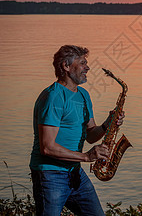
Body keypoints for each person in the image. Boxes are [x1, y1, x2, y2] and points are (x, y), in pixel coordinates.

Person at [29, 45, 125, 216]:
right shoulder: (53, 97)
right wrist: (87, 157)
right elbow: (47, 147)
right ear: (66, 66)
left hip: (74, 172)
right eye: (82, 63)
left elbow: (90, 134)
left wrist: (107, 124)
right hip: (50, 175)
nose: (87, 67)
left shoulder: (83, 95)